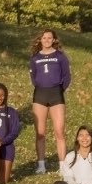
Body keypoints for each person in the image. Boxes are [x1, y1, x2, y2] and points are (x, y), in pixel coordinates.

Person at [28, 29, 71, 174]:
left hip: (56, 95)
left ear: (54, 40)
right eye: (44, 38)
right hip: (40, 94)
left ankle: (63, 165)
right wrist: (42, 86)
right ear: (40, 40)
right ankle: (41, 164)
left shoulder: (60, 56)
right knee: (40, 133)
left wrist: (59, 89)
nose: (46, 40)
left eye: (49, 38)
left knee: (59, 131)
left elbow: (66, 76)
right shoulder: (34, 58)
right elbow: (33, 77)